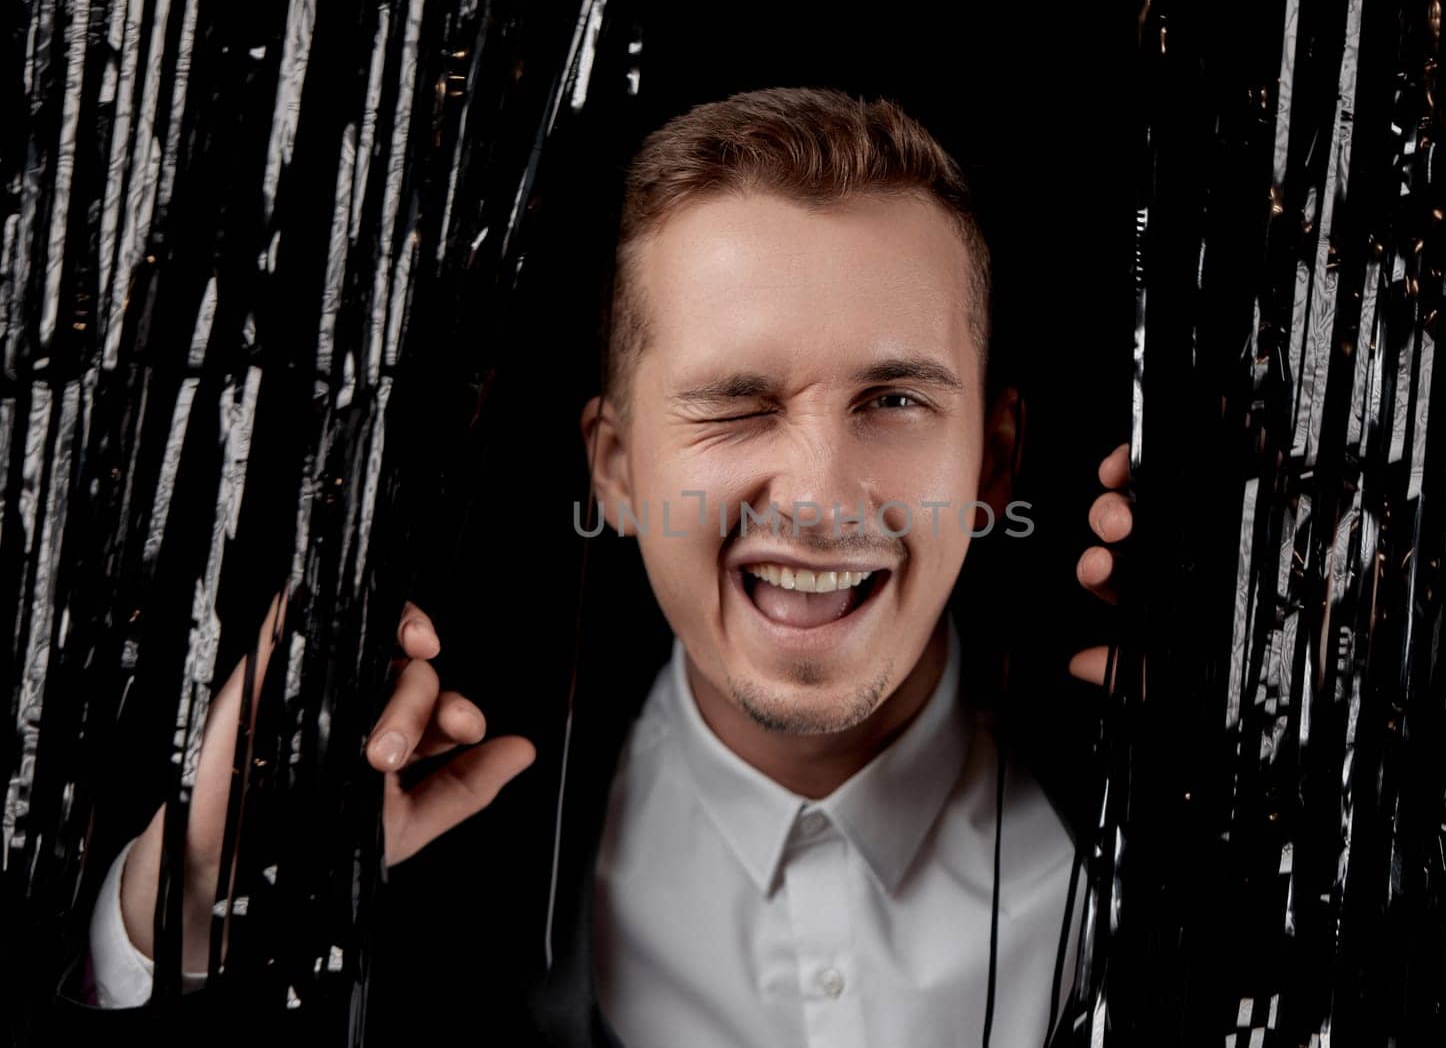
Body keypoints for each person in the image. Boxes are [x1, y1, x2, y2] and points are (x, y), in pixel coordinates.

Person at [80, 87, 1135, 1046]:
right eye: (736, 402)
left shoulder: (1146, 825)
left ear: (993, 460)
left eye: (893, 401)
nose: (817, 497)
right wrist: (190, 897)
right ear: (618, 469)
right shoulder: (448, 863)